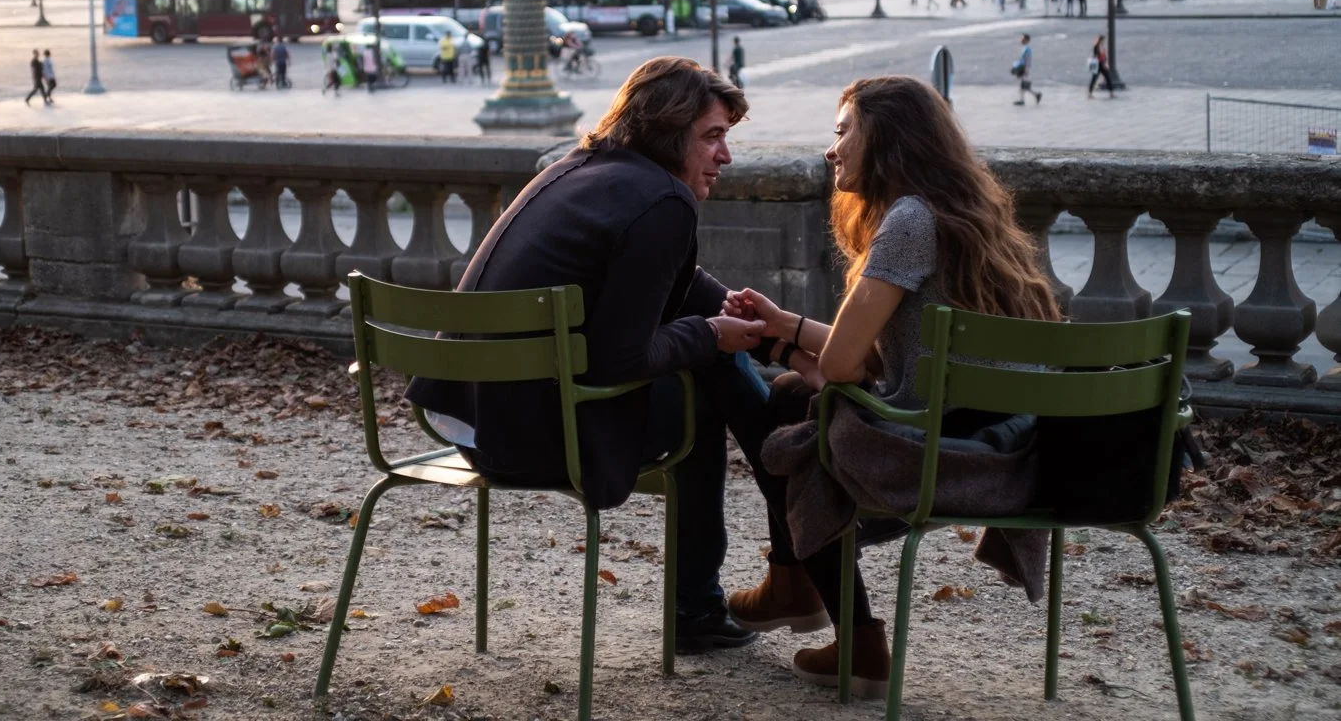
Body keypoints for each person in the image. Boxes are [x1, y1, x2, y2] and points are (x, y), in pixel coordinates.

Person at [406, 57, 780, 653]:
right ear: (669, 131)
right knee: (704, 388)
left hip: (467, 418)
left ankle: (779, 540)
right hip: (524, 438)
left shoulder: (575, 169)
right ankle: (733, 579)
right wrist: (712, 334)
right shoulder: (664, 202)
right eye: (713, 136)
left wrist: (757, 326)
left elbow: (668, 283)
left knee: (707, 363)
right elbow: (618, 359)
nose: (726, 156)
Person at [721, 75, 1059, 693]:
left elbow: (845, 369)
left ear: (886, 137)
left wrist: (789, 354)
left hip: (939, 457)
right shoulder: (969, 215)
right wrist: (786, 326)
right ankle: (796, 588)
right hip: (1015, 444)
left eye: (842, 130)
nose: (832, 149)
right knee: (804, 396)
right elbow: (883, 357)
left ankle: (841, 628)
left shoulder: (908, 220)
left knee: (794, 401)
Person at [1011, 33, 1041, 105]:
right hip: (1021, 67)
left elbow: (1028, 59)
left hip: (1023, 67)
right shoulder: (1024, 48)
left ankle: (1027, 98)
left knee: (1023, 84)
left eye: (1023, 39)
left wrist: (1026, 69)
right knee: (1022, 84)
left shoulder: (1027, 49)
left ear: (1027, 40)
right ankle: (1034, 95)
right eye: (1021, 39)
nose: (1021, 40)